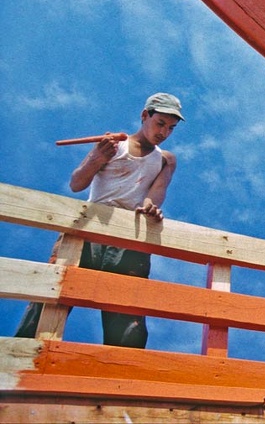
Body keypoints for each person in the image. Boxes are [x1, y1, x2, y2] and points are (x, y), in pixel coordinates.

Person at [15, 92, 184, 348]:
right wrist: (98, 158)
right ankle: (17, 361)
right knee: (53, 294)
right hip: (89, 227)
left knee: (128, 314)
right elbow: (76, 184)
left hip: (127, 234)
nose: (164, 132)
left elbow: (154, 196)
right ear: (144, 115)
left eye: (171, 128)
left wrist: (151, 210)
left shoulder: (165, 159)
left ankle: (123, 376)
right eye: (160, 123)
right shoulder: (115, 145)